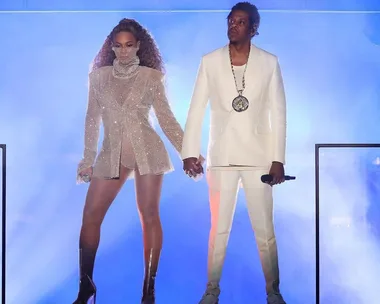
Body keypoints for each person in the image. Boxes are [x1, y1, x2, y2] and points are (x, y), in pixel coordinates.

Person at [73, 18, 190, 304]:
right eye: (118, 46)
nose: (123, 51)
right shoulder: (98, 77)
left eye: (129, 45)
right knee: (90, 217)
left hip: (147, 151)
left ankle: (148, 291)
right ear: (111, 47)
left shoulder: (151, 78)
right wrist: (88, 159)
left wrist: (188, 152)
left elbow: (166, 119)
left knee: (149, 215)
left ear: (139, 46)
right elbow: (92, 119)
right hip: (112, 153)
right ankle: (86, 286)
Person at [181, 2, 287, 304]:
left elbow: (279, 113)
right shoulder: (210, 61)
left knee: (265, 231)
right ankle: (211, 291)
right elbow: (196, 108)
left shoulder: (269, 62)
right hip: (222, 157)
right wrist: (191, 151)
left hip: (259, 158)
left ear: (253, 28)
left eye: (241, 22)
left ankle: (274, 292)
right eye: (231, 20)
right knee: (218, 231)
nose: (233, 25)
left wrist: (278, 158)